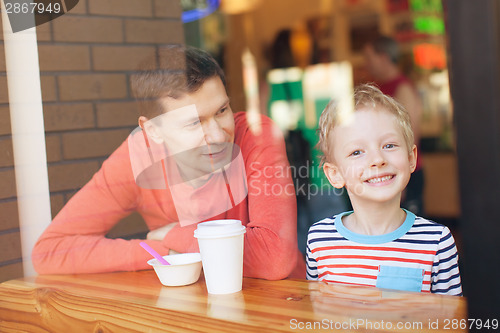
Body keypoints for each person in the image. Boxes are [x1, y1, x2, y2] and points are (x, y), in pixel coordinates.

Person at [32, 46, 305, 280]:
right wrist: (167, 251)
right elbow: (50, 251)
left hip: (282, 306)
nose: (218, 134)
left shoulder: (256, 135)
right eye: (193, 123)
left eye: (222, 110)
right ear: (152, 131)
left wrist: (177, 236)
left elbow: (274, 258)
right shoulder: (137, 158)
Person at [306, 84, 462, 295]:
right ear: (335, 174)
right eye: (357, 152)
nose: (377, 160)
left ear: (411, 159)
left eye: (389, 146)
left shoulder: (437, 242)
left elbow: (449, 323)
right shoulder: (319, 239)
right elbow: (317, 315)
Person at [363, 36, 425, 216]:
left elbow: (410, 136)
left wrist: (400, 178)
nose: (366, 64)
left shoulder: (402, 88)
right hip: (388, 172)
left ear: (383, 57)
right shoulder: (381, 88)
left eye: (369, 57)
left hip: (405, 173)